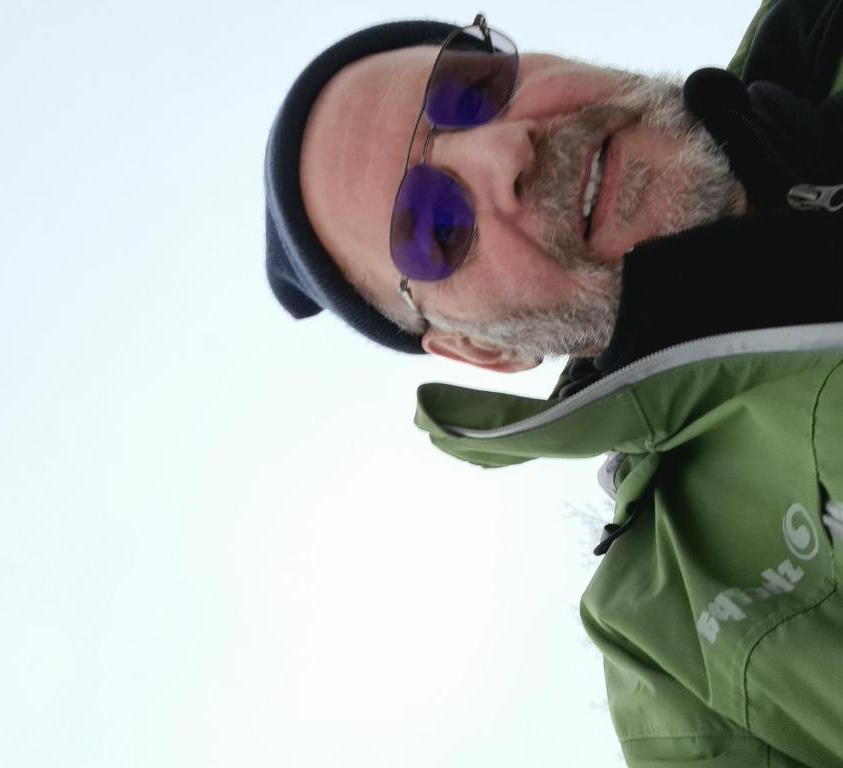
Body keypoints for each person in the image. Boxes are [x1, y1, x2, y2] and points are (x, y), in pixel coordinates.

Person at [265, 3, 843, 766]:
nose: (506, 152)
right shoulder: (685, 663)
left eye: (470, 90)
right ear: (480, 352)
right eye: (435, 226)